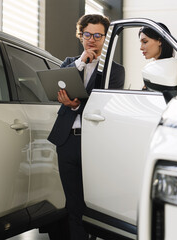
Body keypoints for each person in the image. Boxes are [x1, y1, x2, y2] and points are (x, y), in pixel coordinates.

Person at [47, 14, 124, 240]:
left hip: (95, 143)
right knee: (73, 203)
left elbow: (105, 106)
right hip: (67, 141)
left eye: (98, 35)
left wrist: (76, 105)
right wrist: (81, 62)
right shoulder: (69, 64)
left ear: (105, 38)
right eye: (87, 34)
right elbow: (55, 93)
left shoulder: (115, 71)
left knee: (94, 203)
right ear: (81, 37)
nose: (92, 39)